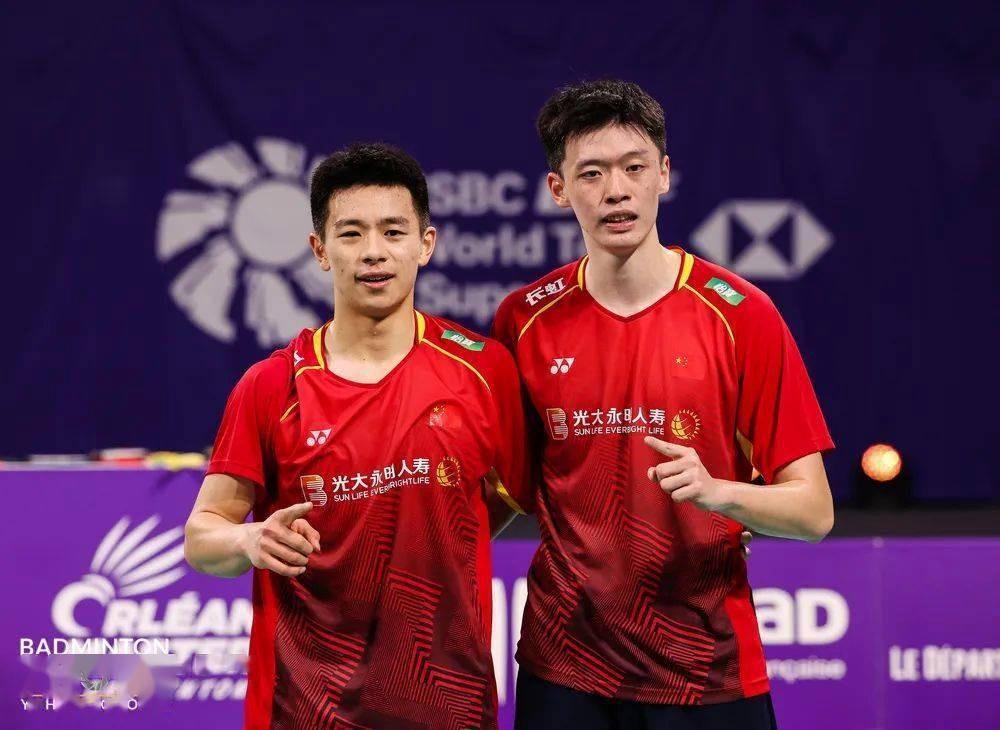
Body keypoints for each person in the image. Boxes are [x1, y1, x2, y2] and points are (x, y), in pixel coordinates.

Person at [491, 79, 835, 729]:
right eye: (591, 173)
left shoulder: (742, 316)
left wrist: (719, 493)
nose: (616, 190)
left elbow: (814, 511)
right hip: (564, 669)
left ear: (664, 174)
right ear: (559, 189)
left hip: (706, 670)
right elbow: (504, 491)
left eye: (634, 167)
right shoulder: (523, 320)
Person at [184, 143, 528, 729]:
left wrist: (435, 530)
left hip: (449, 707)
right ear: (320, 250)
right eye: (351, 233)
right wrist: (249, 540)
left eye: (393, 231)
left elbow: (507, 502)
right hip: (303, 711)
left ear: (425, 244)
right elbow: (201, 537)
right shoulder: (270, 386)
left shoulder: (484, 370)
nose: (373, 252)